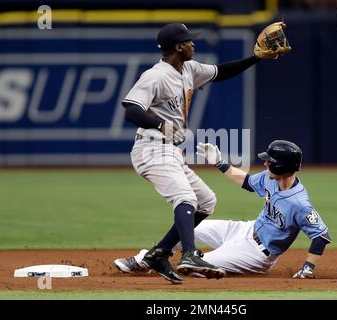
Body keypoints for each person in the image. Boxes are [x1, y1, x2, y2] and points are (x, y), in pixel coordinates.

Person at [114, 23, 289, 284]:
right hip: (150, 148)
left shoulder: (189, 69)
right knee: (185, 198)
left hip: (169, 151)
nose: (193, 44)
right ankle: (189, 254)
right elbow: (130, 109)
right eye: (189, 41)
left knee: (206, 201)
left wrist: (256, 57)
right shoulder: (155, 76)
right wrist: (160, 124)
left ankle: (158, 254)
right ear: (178, 47)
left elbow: (221, 72)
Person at [115, 140, 331, 278]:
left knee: (200, 269)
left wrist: (307, 269)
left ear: (283, 166)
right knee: (187, 228)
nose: (266, 164)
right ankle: (147, 259)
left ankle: (192, 261)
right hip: (243, 229)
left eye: (270, 161)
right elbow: (245, 181)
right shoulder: (269, 178)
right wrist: (220, 163)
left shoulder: (299, 204)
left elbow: (321, 235)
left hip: (256, 254)